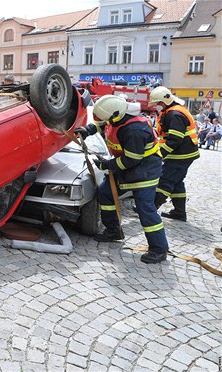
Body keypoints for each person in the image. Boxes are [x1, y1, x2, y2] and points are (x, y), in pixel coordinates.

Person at [74, 95, 169, 264]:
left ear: (115, 115)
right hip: (130, 167)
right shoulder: (116, 116)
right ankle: (113, 231)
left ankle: (159, 249)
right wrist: (88, 130)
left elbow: (131, 159)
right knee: (105, 192)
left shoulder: (135, 130)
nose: (103, 121)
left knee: (145, 208)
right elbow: (101, 124)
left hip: (144, 170)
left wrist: (107, 165)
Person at [148, 86, 199, 222]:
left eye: (158, 104)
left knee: (165, 181)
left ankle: (150, 208)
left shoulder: (175, 115)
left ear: (164, 102)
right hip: (184, 153)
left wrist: (160, 154)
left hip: (180, 155)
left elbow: (175, 139)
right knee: (177, 182)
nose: (156, 107)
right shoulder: (172, 112)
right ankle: (179, 212)